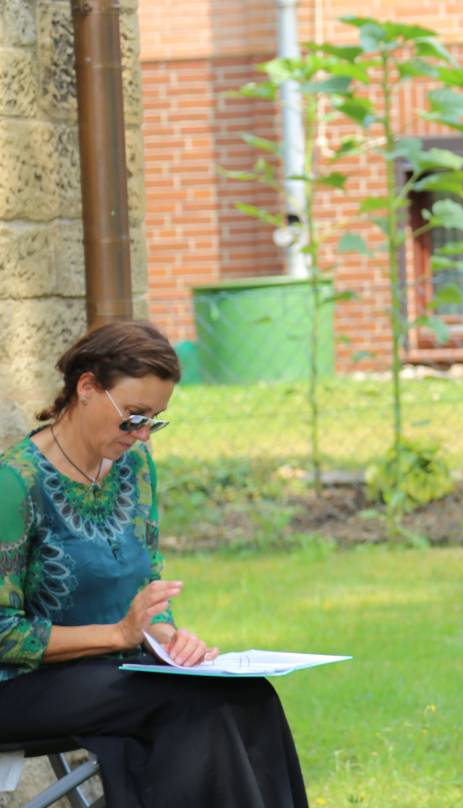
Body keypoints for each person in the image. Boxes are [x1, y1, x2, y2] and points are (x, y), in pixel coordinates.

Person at [0, 319, 308, 805]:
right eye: (134, 416)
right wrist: (119, 636)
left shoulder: (135, 469)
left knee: (250, 696)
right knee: (182, 704)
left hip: (115, 670)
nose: (142, 435)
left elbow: (149, 590)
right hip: (21, 687)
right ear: (86, 388)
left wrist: (166, 639)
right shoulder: (14, 484)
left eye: (154, 419)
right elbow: (3, 634)